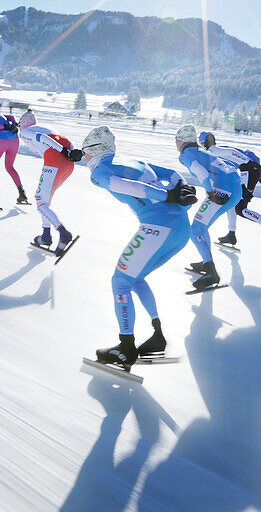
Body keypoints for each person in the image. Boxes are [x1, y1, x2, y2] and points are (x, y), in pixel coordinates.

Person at [80, 125, 197, 370]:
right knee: (136, 278)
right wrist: (183, 189)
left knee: (120, 282)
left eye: (85, 152)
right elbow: (173, 173)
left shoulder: (99, 172)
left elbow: (129, 188)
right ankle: (157, 336)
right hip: (179, 228)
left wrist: (168, 196)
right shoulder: (132, 160)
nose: (84, 158)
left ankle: (125, 348)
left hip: (158, 227)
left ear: (94, 149)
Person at [176, 124, 242, 291]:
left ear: (182, 141)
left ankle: (211, 271)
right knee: (201, 228)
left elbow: (201, 173)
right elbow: (229, 168)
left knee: (195, 230)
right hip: (235, 189)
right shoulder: (202, 152)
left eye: (176, 140)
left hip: (220, 191)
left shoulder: (186, 154)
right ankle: (206, 262)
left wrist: (210, 192)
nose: (175, 144)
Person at [199, 130, 261, 248]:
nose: (201, 146)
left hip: (250, 170)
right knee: (233, 202)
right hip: (250, 171)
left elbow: (233, 152)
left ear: (205, 142)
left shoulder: (213, 150)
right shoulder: (218, 151)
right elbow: (236, 163)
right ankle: (231, 234)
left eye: (201, 143)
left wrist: (249, 164)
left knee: (241, 209)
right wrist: (260, 177)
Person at [18, 109, 83, 252]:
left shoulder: (25, 131)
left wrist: (63, 151)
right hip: (68, 165)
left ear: (22, 124)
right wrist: (71, 151)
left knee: (41, 202)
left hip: (55, 162)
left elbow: (41, 138)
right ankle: (45, 235)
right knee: (45, 201)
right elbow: (67, 142)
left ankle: (63, 232)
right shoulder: (47, 127)